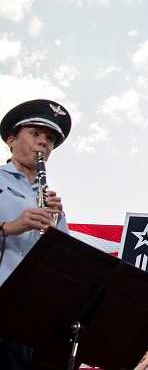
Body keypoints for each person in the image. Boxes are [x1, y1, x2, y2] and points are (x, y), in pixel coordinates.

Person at [0, 99, 71, 370]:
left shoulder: (50, 202)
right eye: (35, 134)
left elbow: (66, 263)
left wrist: (57, 227)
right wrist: (10, 227)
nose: (44, 143)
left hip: (30, 316)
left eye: (50, 139)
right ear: (11, 140)